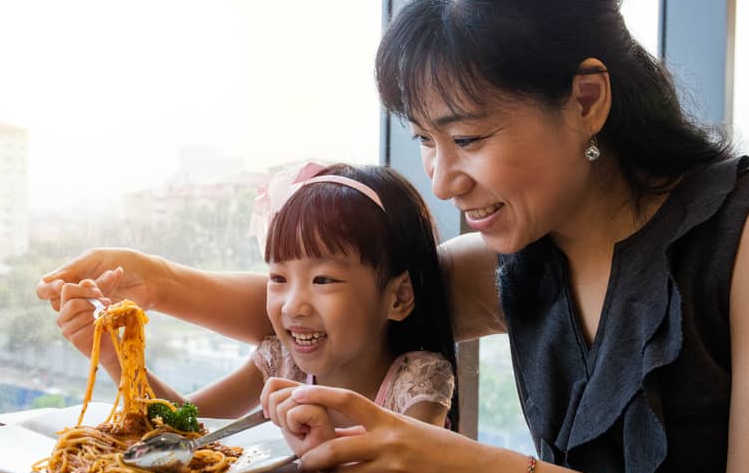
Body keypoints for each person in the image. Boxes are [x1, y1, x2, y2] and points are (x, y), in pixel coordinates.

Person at [38, 0, 749, 473]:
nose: (444, 179)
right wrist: (154, 283)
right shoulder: (529, 251)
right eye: (426, 140)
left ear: (586, 100)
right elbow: (332, 301)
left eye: (469, 138)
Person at [48, 163, 456, 429]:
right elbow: (185, 426)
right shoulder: (280, 363)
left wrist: (323, 441)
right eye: (278, 277)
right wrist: (114, 358)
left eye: (324, 280)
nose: (293, 304)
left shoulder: (418, 379)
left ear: (398, 297)